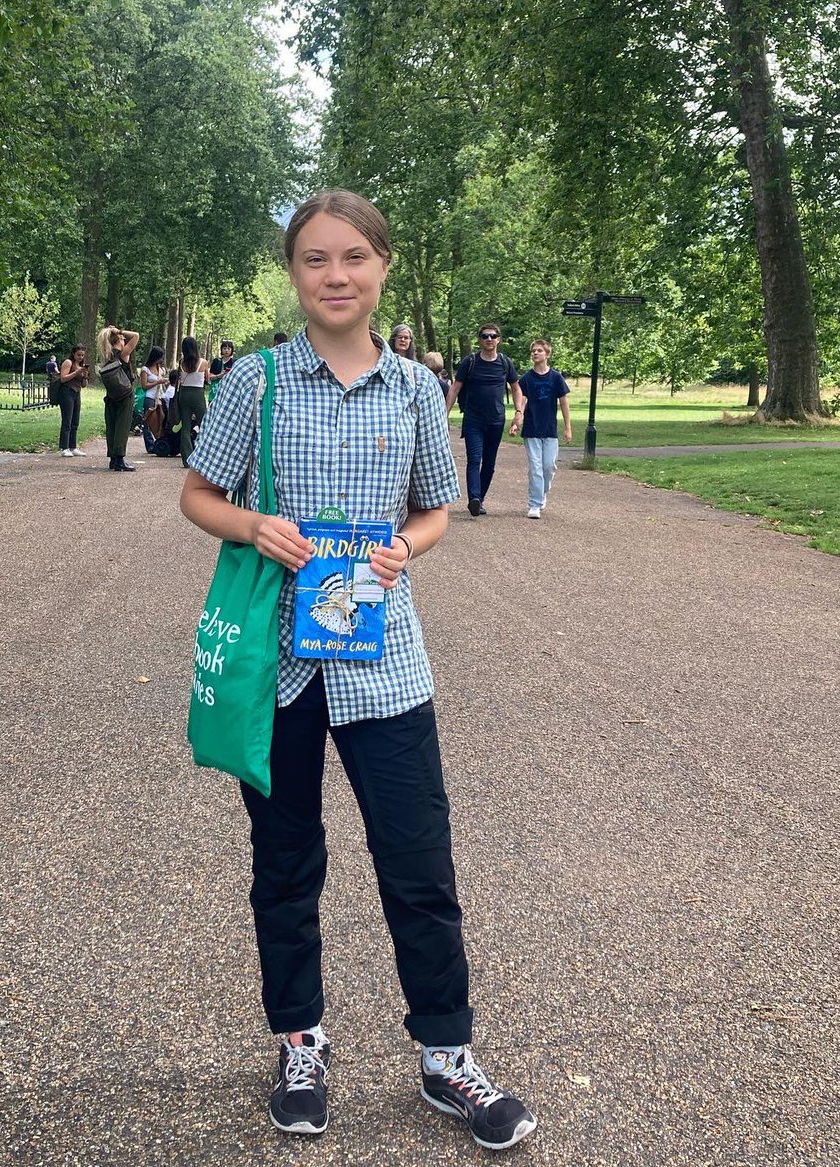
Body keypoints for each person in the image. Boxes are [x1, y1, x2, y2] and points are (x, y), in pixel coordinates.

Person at [180, 189, 536, 1152]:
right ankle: (300, 1042)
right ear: (294, 274)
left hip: (386, 665)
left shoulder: (420, 389)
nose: (335, 276)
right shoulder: (254, 382)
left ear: (383, 267)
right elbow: (198, 494)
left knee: (418, 865)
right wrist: (253, 524)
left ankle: (446, 1054)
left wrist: (404, 550)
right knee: (286, 867)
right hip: (280, 668)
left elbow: (435, 509)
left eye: (353, 258)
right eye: (314, 260)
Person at [445, 324, 523, 517]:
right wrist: (443, 415)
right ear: (479, 339)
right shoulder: (469, 362)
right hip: (473, 419)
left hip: (496, 420)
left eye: (493, 336)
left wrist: (519, 411)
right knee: (474, 459)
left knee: (489, 463)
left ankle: (480, 499)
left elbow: (516, 388)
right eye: (485, 336)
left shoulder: (505, 363)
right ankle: (474, 498)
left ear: (499, 339)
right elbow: (455, 389)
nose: (489, 339)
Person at [518, 338, 572, 518]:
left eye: (539, 350)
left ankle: (542, 493)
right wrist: (517, 421)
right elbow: (522, 401)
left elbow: (564, 402)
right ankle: (534, 504)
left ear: (547, 354)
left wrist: (567, 427)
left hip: (550, 429)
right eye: (533, 350)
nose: (535, 353)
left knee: (549, 467)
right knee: (535, 467)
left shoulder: (556, 377)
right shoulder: (526, 379)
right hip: (532, 429)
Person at [97, 324, 140, 472]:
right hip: (124, 394)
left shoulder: (107, 355)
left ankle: (113, 459)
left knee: (112, 426)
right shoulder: (122, 354)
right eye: (123, 339)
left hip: (111, 395)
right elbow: (136, 336)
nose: (125, 340)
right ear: (119, 340)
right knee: (123, 425)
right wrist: (119, 331)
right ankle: (120, 459)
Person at [177, 335, 209, 467]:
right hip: (197, 394)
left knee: (186, 427)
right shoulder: (203, 362)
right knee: (204, 424)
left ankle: (187, 458)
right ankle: (205, 455)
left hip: (184, 394)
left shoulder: (181, 362)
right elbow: (207, 379)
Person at [57, 344, 89, 457]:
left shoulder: (81, 365)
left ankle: (73, 446)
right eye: (78, 355)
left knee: (75, 421)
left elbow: (84, 385)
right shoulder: (68, 362)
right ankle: (64, 447)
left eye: (82, 355)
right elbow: (63, 378)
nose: (80, 357)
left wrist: (84, 376)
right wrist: (76, 372)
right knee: (67, 420)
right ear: (73, 354)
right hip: (67, 392)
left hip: (77, 392)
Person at [138, 345, 166, 454]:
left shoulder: (161, 369)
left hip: (159, 397)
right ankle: (149, 444)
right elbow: (144, 385)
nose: (161, 360)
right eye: (160, 357)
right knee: (148, 421)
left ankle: (159, 441)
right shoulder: (146, 369)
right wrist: (157, 382)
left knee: (160, 419)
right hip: (149, 397)